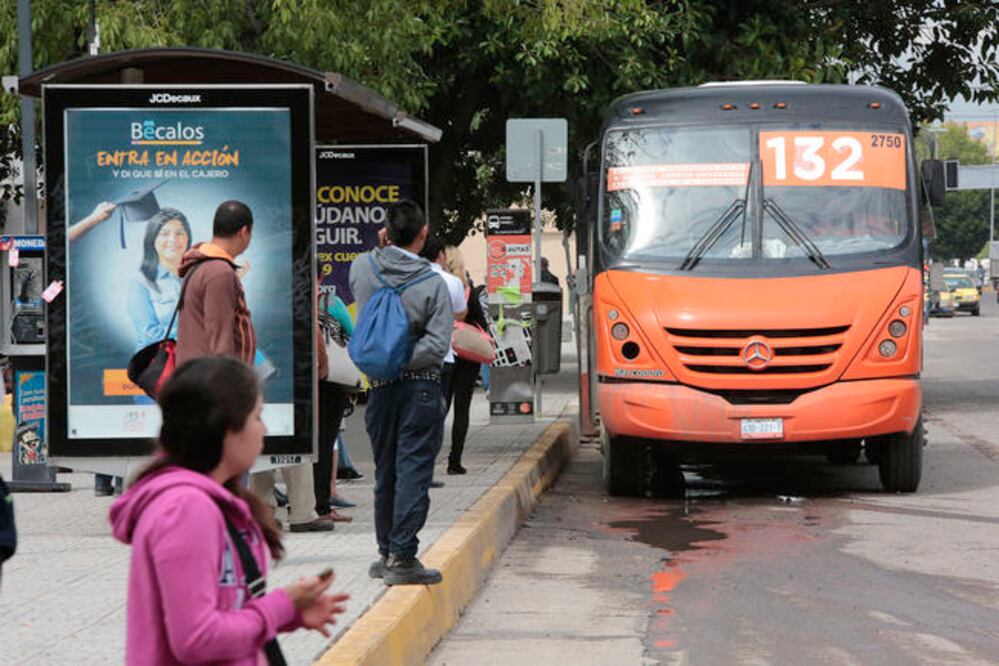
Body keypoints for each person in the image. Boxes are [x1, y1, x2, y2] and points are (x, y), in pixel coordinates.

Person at [109, 357, 349, 665]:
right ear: (226, 427)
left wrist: (289, 613)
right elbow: (197, 639)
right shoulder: (186, 510)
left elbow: (223, 614)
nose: (264, 429)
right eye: (257, 416)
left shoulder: (210, 501)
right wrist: (279, 606)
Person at [349, 199, 453, 586]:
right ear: (423, 235)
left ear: (386, 232)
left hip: (379, 387)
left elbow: (373, 269)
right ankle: (403, 556)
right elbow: (438, 344)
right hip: (420, 389)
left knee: (386, 471)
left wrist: (386, 361)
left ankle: (384, 552)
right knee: (413, 471)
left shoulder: (362, 266)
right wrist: (405, 357)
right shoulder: (432, 282)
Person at [175, 200, 256, 367]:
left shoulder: (201, 264)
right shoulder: (219, 272)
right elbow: (220, 337)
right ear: (244, 231)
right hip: (211, 384)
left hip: (197, 376)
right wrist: (225, 384)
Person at [419, 235, 467, 487]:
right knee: (437, 414)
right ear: (440, 255)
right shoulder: (451, 282)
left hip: (413, 359)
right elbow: (461, 312)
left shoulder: (410, 279)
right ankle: (425, 471)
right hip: (443, 356)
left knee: (415, 414)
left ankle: (414, 469)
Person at [443, 247, 487, 475]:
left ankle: (425, 455)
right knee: (462, 409)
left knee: (439, 407)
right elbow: (482, 324)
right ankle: (454, 460)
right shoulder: (469, 291)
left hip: (442, 354)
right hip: (468, 359)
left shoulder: (436, 287)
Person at [127, 209, 192, 350]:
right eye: (164, 234)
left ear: (188, 238)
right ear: (152, 239)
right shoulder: (140, 283)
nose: (173, 240)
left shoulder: (198, 276)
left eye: (179, 233)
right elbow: (149, 335)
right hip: (158, 362)